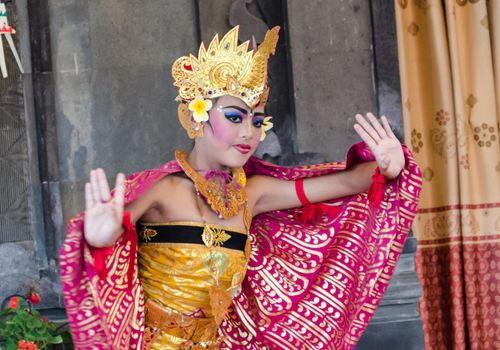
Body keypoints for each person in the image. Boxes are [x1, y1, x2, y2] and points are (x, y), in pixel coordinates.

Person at [60, 26, 422, 350]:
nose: (250, 132)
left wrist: (390, 166)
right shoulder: (164, 191)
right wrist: (101, 235)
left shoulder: (254, 194)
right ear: (194, 117)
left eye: (258, 120)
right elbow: (107, 243)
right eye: (235, 117)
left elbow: (350, 183)